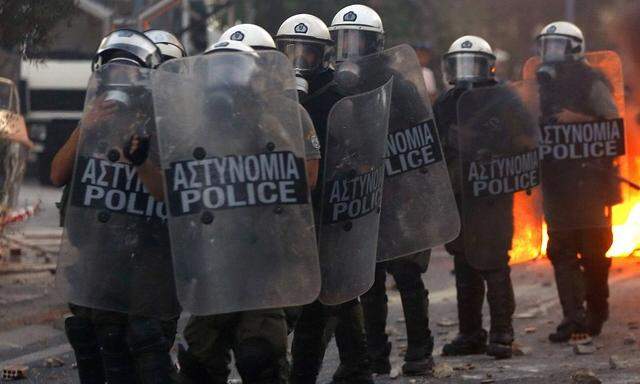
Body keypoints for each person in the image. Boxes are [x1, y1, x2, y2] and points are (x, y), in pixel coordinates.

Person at [175, 39, 322, 384]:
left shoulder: (281, 115)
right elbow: (178, 180)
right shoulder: (199, 122)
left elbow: (302, 180)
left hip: (265, 261)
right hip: (216, 260)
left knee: (261, 357)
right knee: (199, 362)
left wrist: (265, 122)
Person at [52, 29, 182, 384]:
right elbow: (57, 172)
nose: (121, 80)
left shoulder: (164, 125)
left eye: (130, 72)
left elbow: (170, 194)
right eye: (114, 71)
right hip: (100, 254)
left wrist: (141, 160)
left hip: (150, 257)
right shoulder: (96, 119)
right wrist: (86, 126)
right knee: (93, 336)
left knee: (145, 344)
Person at [328, 4, 439, 376]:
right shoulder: (333, 87)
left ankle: (420, 352)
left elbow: (420, 138)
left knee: (407, 275)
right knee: (369, 282)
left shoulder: (401, 85)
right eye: (343, 39)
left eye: (357, 39)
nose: (350, 48)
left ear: (375, 43)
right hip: (363, 197)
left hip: (401, 194)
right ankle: (375, 355)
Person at [276, 11, 375, 384]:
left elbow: (362, 153)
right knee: (333, 295)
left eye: (309, 54)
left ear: (324, 57)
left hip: (328, 209)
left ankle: (309, 373)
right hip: (286, 210)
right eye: (291, 52)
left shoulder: (339, 96)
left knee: (323, 299)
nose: (299, 61)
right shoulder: (269, 97)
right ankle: (358, 367)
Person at [533, 21, 621, 343]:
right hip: (557, 181)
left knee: (594, 252)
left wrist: (576, 120)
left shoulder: (591, 81)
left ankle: (597, 309)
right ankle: (573, 317)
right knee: (560, 249)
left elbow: (612, 122)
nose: (549, 52)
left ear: (574, 47)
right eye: (546, 45)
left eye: (556, 45)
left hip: (592, 182)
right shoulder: (542, 83)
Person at [435, 35, 519, 360]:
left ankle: (502, 333)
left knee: (494, 263)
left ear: (489, 66)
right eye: (460, 64)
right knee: (464, 265)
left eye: (473, 64)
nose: (466, 71)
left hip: (492, 195)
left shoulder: (504, 100)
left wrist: (487, 145)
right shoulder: (444, 103)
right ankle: (470, 334)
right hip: (459, 195)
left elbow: (525, 140)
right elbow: (432, 143)